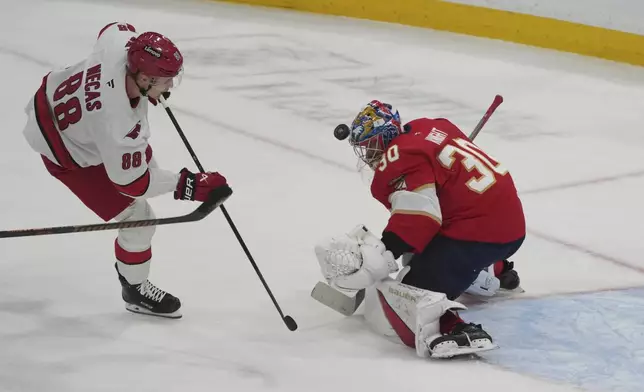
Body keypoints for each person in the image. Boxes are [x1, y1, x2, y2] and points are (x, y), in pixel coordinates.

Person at [21, 22, 231, 319]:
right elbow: (133, 184)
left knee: (139, 161)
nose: (170, 87)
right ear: (143, 78)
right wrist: (189, 185)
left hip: (51, 101)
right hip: (62, 150)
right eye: (165, 80)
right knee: (140, 218)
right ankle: (134, 290)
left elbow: (114, 27)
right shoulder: (119, 127)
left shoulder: (120, 46)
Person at [314, 100, 525, 358]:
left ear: (386, 137)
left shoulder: (397, 157)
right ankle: (496, 269)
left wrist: (384, 251)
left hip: (478, 234)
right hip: (507, 224)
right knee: (415, 251)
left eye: (370, 147)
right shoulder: (433, 127)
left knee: (408, 292)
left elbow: (421, 217)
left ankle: (451, 328)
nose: (369, 157)